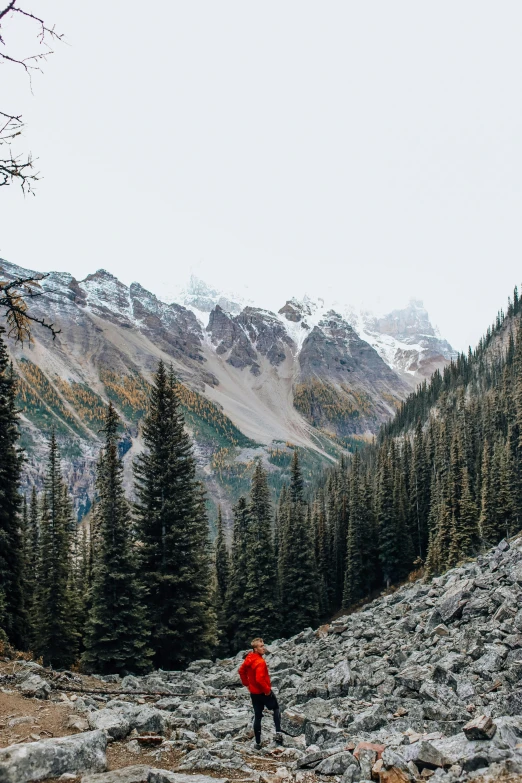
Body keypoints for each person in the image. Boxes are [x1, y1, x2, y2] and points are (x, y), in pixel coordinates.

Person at [238, 637, 283, 749]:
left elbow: (241, 671)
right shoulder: (260, 662)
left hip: (254, 693)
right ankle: (278, 733)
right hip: (263, 692)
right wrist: (267, 691)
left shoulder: (249, 658)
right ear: (255, 649)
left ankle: (258, 743)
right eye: (261, 646)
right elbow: (259, 679)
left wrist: (247, 684)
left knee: (258, 716)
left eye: (263, 645)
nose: (264, 648)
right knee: (276, 708)